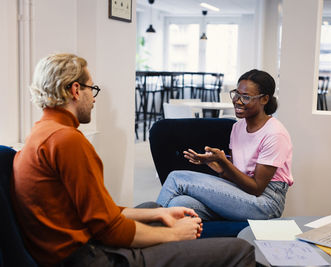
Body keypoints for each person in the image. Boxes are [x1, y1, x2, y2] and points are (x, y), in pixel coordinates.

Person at [12, 53, 255, 267]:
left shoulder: (41, 133)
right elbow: (108, 229)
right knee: (241, 250)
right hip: (90, 257)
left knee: (154, 208)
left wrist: (157, 217)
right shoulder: (67, 141)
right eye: (92, 89)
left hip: (73, 247)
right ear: (76, 90)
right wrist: (174, 235)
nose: (94, 99)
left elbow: (96, 212)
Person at [157, 69, 293, 221]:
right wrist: (222, 168)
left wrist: (224, 161)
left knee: (176, 178)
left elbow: (256, 188)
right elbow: (238, 177)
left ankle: (145, 229)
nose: (238, 101)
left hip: (266, 203)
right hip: (242, 193)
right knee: (179, 203)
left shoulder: (275, 133)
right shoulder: (238, 128)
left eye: (246, 97)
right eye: (237, 94)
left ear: (264, 99)